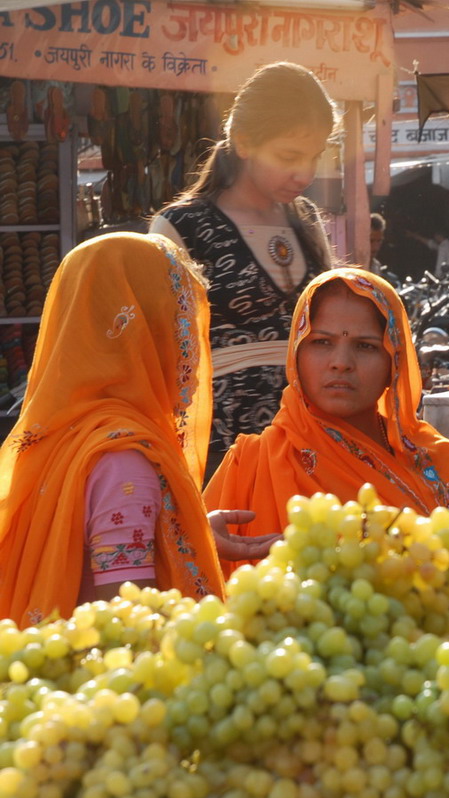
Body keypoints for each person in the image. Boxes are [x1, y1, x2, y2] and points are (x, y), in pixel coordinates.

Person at [0, 233, 279, 628]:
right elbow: (131, 632)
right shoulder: (124, 462)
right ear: (146, 336)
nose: (193, 358)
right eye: (183, 330)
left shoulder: (52, 438)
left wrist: (186, 532)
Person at [204, 267, 449, 575]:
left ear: (395, 362)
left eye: (365, 346)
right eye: (322, 342)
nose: (340, 363)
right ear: (296, 353)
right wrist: (199, 540)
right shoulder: (252, 464)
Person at [149, 61, 337, 479]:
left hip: (313, 440)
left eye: (315, 156)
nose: (305, 173)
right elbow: (159, 352)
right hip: (220, 447)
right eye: (289, 156)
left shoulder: (304, 220)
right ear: (243, 141)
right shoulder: (180, 227)